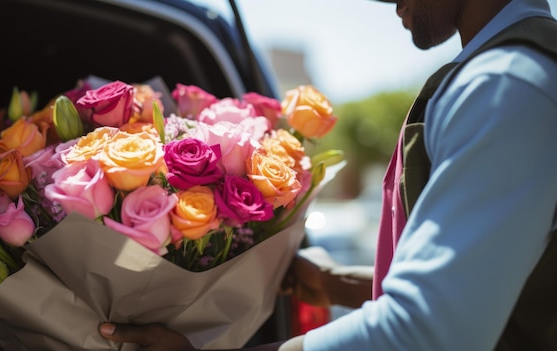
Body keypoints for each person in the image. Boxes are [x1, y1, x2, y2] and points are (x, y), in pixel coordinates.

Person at [98, 0, 557, 349]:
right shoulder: (506, 75)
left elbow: (429, 329)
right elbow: (489, 284)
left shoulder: (504, 84)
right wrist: (339, 283)